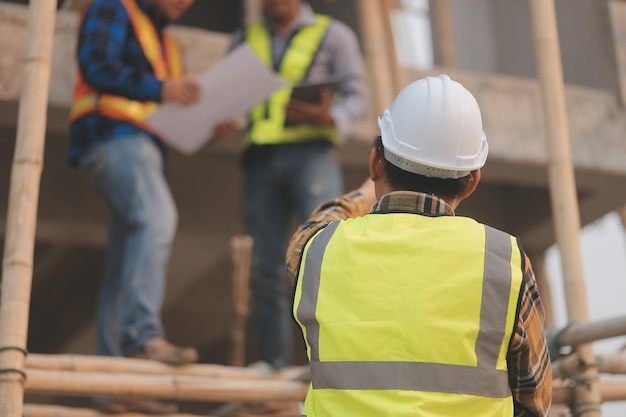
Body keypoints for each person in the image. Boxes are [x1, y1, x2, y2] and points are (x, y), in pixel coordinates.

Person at [286, 74, 552, 417]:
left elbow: (307, 234)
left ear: (374, 163)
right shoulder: (505, 260)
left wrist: (367, 191)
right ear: (472, 180)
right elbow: (535, 399)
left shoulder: (320, 250)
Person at [213, 0, 370, 370]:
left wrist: (329, 115)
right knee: (265, 267)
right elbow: (226, 97)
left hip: (312, 155)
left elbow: (359, 96)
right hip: (261, 159)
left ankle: (331, 362)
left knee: (325, 255)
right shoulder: (244, 39)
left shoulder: (334, 35)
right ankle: (275, 362)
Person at [69, 0, 199, 412]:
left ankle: (113, 383)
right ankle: (141, 337)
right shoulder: (111, 7)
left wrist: (208, 125)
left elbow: (166, 111)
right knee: (158, 219)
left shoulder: (167, 42)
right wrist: (161, 89)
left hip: (143, 144)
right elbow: (97, 67)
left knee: (128, 252)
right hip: (112, 135)